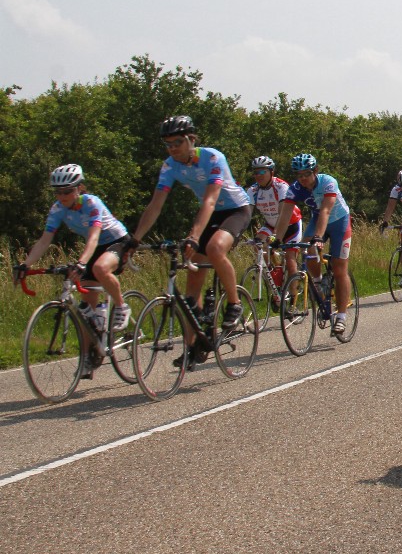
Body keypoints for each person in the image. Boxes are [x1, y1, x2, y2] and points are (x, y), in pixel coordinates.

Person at [131, 116, 253, 368]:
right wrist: (134, 239)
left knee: (215, 248)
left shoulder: (212, 158)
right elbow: (155, 205)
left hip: (235, 210)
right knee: (191, 289)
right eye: (168, 144)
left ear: (191, 140)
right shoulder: (169, 166)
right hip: (210, 214)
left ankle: (234, 303)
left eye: (177, 142)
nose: (172, 148)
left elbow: (210, 200)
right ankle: (193, 345)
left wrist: (195, 235)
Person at [14, 165, 134, 377]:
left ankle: (121, 306)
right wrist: (26, 264)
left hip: (117, 241)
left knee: (99, 268)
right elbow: (45, 240)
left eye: (68, 191)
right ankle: (89, 355)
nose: (62, 196)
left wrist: (81, 263)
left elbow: (94, 237)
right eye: (58, 192)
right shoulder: (57, 209)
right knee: (86, 307)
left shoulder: (91, 203)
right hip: (95, 248)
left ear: (79, 188)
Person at [279, 153, 353, 337]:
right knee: (307, 249)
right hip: (317, 220)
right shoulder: (295, 189)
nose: (303, 178)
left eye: (306, 173)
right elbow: (285, 215)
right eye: (299, 175)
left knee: (339, 268)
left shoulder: (328, 182)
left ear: (315, 171)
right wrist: (276, 239)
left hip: (339, 222)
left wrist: (319, 236)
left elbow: (326, 210)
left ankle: (341, 317)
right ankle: (319, 283)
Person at [245, 155, 301, 285]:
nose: (258, 175)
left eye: (262, 171)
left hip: (291, 225)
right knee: (258, 246)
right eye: (256, 172)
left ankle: (293, 296)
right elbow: (246, 214)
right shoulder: (253, 191)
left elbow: (282, 213)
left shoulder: (281, 187)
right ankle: (274, 273)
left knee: (290, 261)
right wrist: (235, 234)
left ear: (271, 172)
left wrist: (276, 234)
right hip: (270, 224)